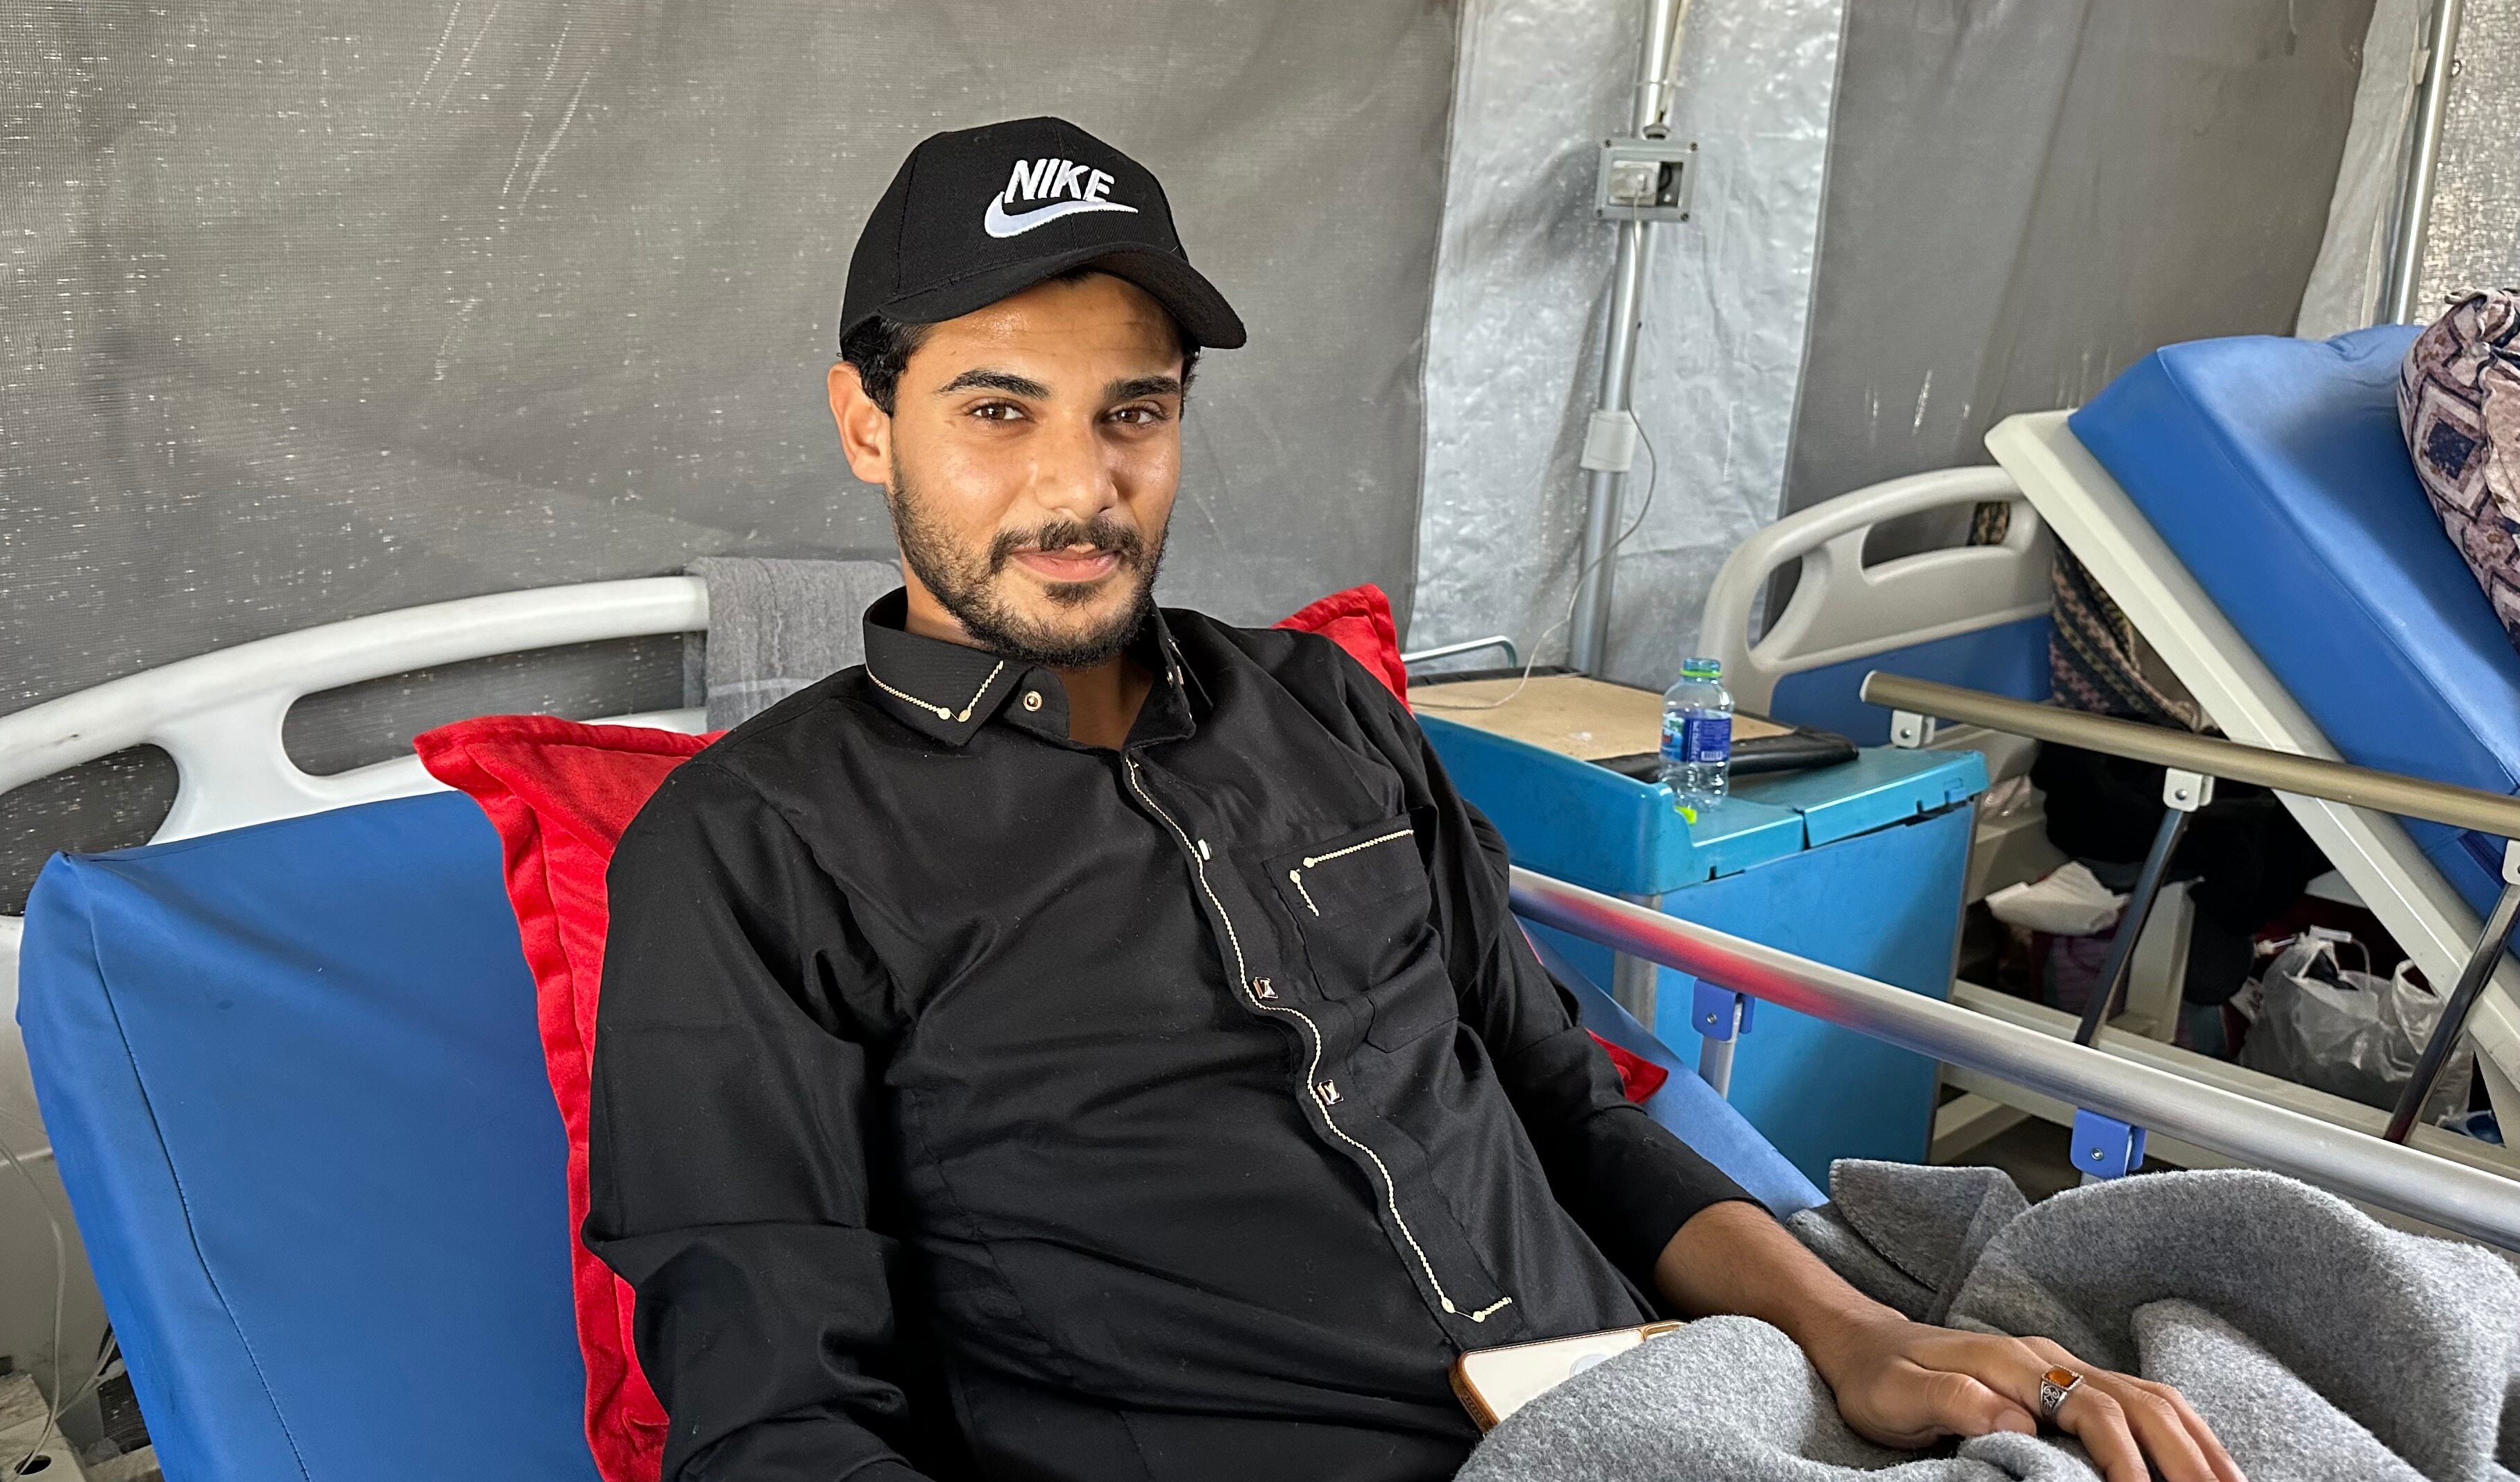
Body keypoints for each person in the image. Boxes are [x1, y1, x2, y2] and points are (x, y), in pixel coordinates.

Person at [586, 117, 2240, 1482]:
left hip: (1681, 1411)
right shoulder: (755, 850)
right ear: (867, 425)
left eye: (1134, 414)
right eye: (996, 412)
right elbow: (780, 1408)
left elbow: (1569, 1102)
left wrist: (1851, 1334)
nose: (1076, 488)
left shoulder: (1319, 711)